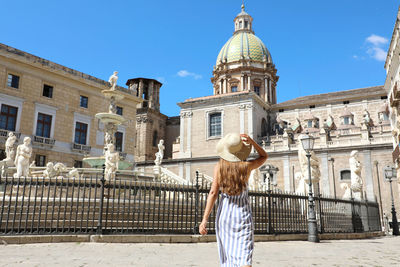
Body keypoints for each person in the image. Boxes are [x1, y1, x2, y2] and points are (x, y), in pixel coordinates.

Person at [199, 133, 268, 267]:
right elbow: (264, 156)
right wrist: (252, 142)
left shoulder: (219, 168)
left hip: (225, 216)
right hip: (242, 216)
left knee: (229, 257)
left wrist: (204, 220)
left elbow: (213, 193)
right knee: (244, 256)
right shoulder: (246, 167)